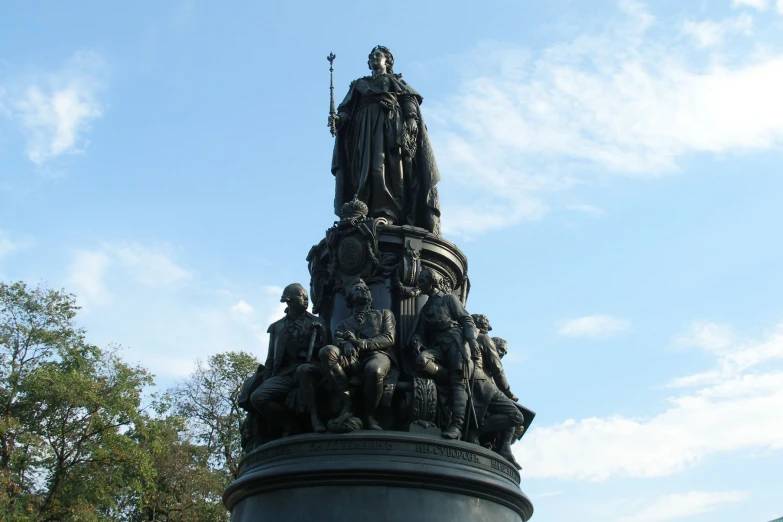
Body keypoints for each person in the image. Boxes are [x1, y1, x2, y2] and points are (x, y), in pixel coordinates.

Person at [331, 45, 441, 234]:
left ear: (387, 60)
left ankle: (388, 213)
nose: (375, 58)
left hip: (388, 127)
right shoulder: (359, 85)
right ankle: (361, 209)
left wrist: (411, 119)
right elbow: (346, 109)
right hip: (363, 131)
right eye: (372, 56)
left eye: (379, 55)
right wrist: (339, 119)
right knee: (361, 170)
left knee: (384, 170)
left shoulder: (394, 82)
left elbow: (408, 100)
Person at [410, 267, 479, 439]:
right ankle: (453, 378)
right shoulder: (425, 308)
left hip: (454, 341)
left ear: (432, 281)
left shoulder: (448, 299)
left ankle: (456, 425)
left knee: (458, 384)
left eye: (422, 280)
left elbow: (466, 319)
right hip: (438, 347)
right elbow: (420, 331)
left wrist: (471, 341)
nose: (419, 284)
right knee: (421, 360)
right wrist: (417, 339)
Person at [319, 279, 397, 431]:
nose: (365, 291)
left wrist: (359, 343)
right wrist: (346, 344)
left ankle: (370, 415)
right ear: (349, 297)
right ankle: (346, 402)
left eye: (366, 289)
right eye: (359, 289)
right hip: (352, 359)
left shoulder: (384, 314)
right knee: (327, 351)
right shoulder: (343, 323)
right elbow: (337, 340)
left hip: (378, 354)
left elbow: (389, 338)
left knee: (374, 369)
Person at [250, 284, 326, 435]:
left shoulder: (318, 323)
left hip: (310, 369)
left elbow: (325, 350)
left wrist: (320, 337)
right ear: (289, 300)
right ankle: (289, 424)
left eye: (307, 298)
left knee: (303, 370)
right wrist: (267, 380)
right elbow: (271, 359)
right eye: (302, 297)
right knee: (257, 397)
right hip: (285, 374)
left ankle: (315, 418)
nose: (306, 300)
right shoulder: (276, 327)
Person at [470, 316, 523, 469]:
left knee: (515, 418)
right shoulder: (483, 339)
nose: (502, 354)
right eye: (500, 350)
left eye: (504, 353)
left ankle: (505, 449)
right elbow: (497, 369)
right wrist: (508, 392)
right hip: (482, 386)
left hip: (481, 387)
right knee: (516, 416)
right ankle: (476, 432)